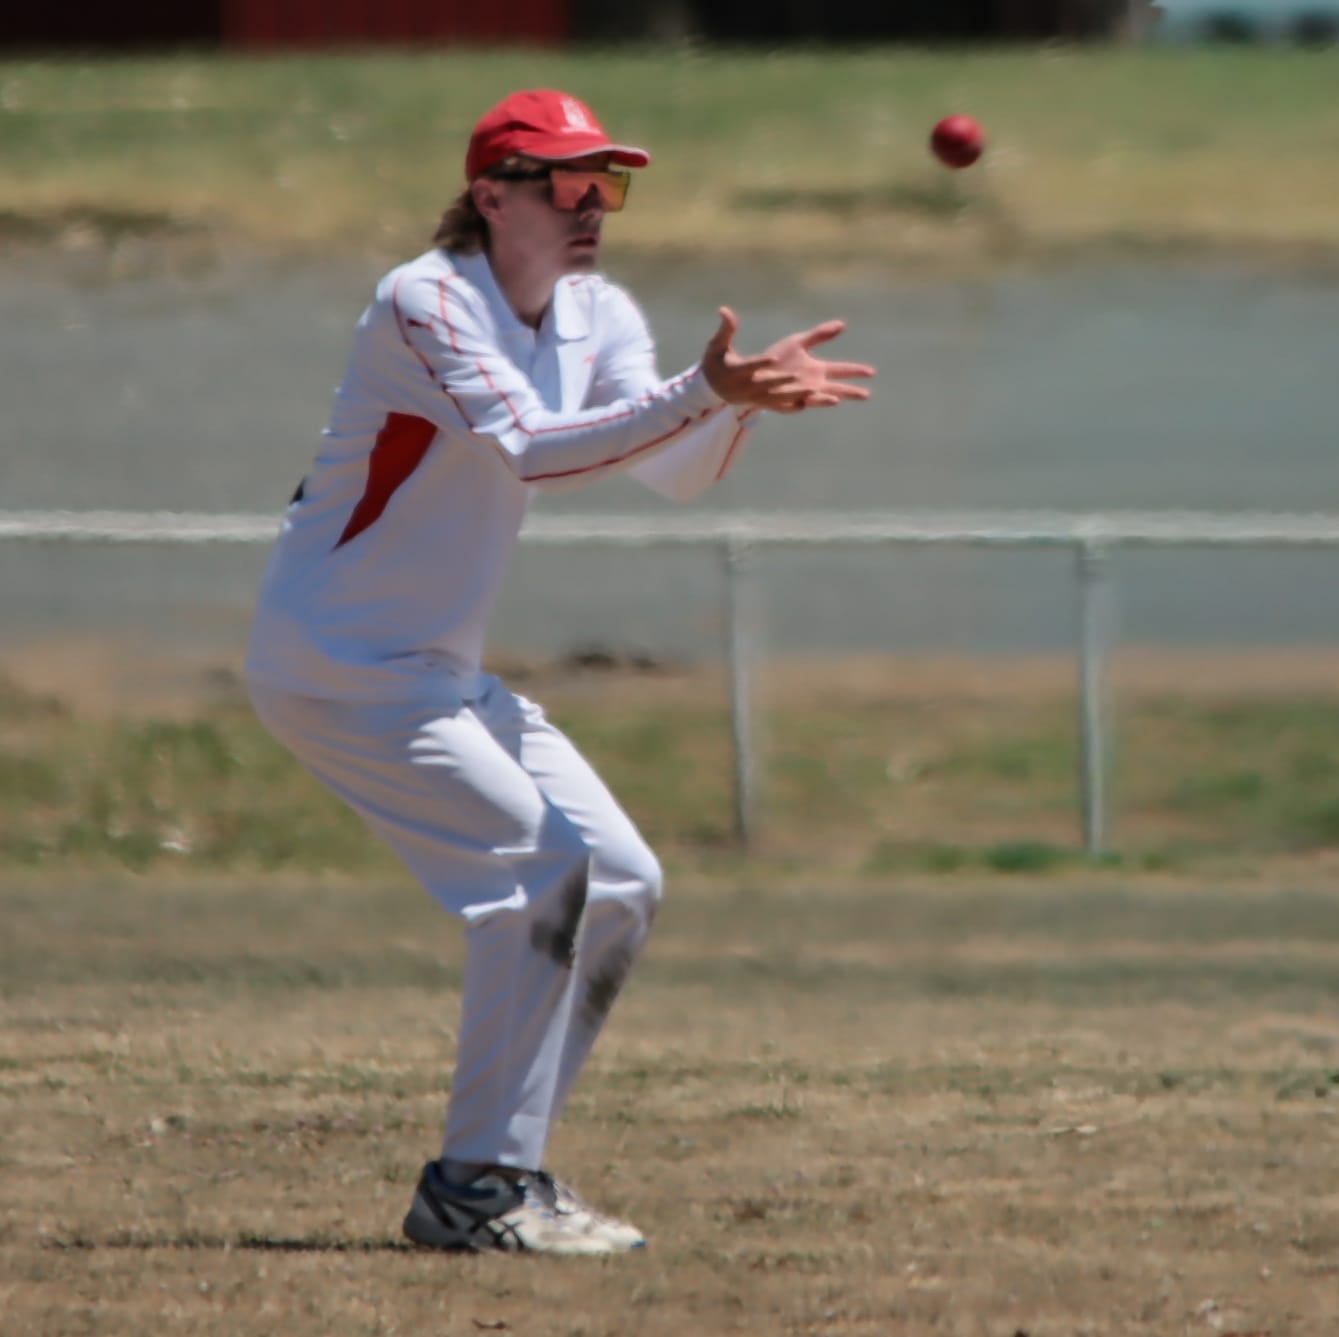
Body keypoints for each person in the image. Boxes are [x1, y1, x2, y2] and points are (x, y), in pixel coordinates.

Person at [242, 89, 875, 1256]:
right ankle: (476, 1186)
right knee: (542, 872)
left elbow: (672, 467)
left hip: (437, 667)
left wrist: (738, 410)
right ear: (490, 196)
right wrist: (703, 394)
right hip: (338, 660)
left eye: (608, 184)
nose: (593, 206)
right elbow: (532, 451)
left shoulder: (594, 308)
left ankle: (504, 1171)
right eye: (565, 182)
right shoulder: (426, 296)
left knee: (620, 880)